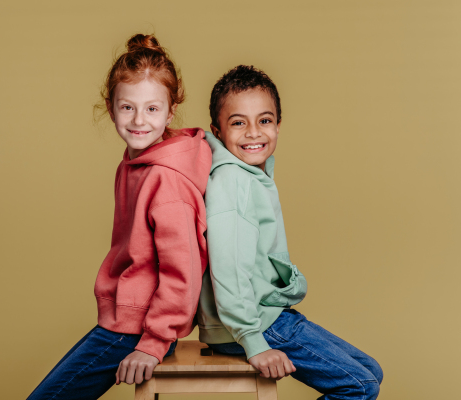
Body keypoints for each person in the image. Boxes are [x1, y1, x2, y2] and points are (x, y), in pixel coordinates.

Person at [28, 34, 211, 400]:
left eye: (152, 109)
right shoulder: (134, 163)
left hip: (139, 327)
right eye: (128, 108)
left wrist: (155, 341)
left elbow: (184, 270)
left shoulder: (165, 178)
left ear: (171, 110)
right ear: (111, 108)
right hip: (124, 319)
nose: (139, 120)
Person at [197, 65, 383, 399]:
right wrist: (253, 342)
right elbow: (227, 269)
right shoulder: (232, 181)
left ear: (278, 126)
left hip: (269, 313)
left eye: (264, 121)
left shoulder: (253, 175)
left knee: (370, 372)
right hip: (250, 324)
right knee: (359, 386)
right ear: (218, 130)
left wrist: (287, 280)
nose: (254, 133)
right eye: (238, 122)